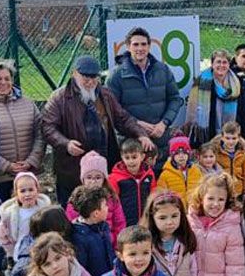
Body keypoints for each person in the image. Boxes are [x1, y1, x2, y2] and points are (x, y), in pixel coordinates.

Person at [42, 56, 152, 208]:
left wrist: (140, 134)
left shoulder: (105, 95)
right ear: (74, 73)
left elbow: (122, 118)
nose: (90, 82)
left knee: (105, 208)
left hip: (104, 164)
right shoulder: (60, 97)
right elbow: (47, 127)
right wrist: (65, 144)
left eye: (94, 77)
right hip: (73, 168)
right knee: (74, 210)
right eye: (85, 77)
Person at [106, 27, 184, 163]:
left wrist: (164, 123)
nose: (140, 48)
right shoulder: (116, 76)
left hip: (161, 137)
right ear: (128, 46)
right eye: (135, 44)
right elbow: (112, 109)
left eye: (143, 44)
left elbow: (175, 99)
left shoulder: (163, 69)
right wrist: (137, 124)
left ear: (149, 46)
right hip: (132, 143)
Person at [0, 59, 46, 201]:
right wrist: (6, 166)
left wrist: (31, 161)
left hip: (27, 177)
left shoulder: (28, 103)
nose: (3, 82)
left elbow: (40, 134)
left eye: (7, 78)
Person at [66, 151, 126, 246]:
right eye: (89, 177)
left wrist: (115, 242)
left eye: (98, 177)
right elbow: (72, 223)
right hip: (87, 244)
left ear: (104, 179)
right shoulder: (76, 199)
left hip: (110, 244)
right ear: (83, 179)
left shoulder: (112, 198)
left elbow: (119, 223)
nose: (93, 181)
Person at [185, 49, 242, 145]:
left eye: (225, 62)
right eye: (218, 62)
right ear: (212, 64)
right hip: (207, 131)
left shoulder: (236, 83)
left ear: (229, 65)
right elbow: (193, 108)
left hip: (231, 135)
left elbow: (243, 108)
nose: (221, 65)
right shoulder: (202, 81)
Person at [0, 172, 51, 266]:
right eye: (23, 191)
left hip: (43, 251)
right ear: (16, 193)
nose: (27, 194)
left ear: (37, 190)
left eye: (31, 190)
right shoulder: (10, 214)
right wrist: (10, 252)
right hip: (20, 254)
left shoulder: (44, 210)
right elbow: (3, 235)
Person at [65, 185, 116, 276]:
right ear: (96, 213)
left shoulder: (103, 226)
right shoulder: (79, 237)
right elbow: (81, 269)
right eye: (105, 205)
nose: (107, 208)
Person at [108, 138, 155, 228]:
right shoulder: (115, 177)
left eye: (134, 157)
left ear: (142, 157)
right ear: (122, 157)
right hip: (125, 223)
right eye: (127, 158)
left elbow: (153, 195)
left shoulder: (149, 174)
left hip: (145, 221)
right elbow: (113, 203)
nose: (131, 161)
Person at [211, 122, 245, 199]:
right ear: (222, 137)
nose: (231, 142)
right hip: (222, 191)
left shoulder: (242, 154)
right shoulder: (216, 153)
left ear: (239, 138)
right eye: (227, 138)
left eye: (234, 138)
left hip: (238, 191)